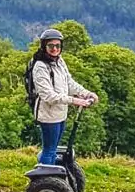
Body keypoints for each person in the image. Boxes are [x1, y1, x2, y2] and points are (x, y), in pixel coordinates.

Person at [29, 28, 98, 165]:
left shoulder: (59, 61)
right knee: (49, 150)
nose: (55, 49)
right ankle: (45, 175)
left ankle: (51, 172)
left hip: (60, 113)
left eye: (57, 45)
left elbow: (69, 83)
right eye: (51, 46)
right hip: (48, 115)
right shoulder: (40, 66)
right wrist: (75, 101)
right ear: (44, 46)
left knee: (53, 149)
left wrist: (86, 93)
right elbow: (48, 96)